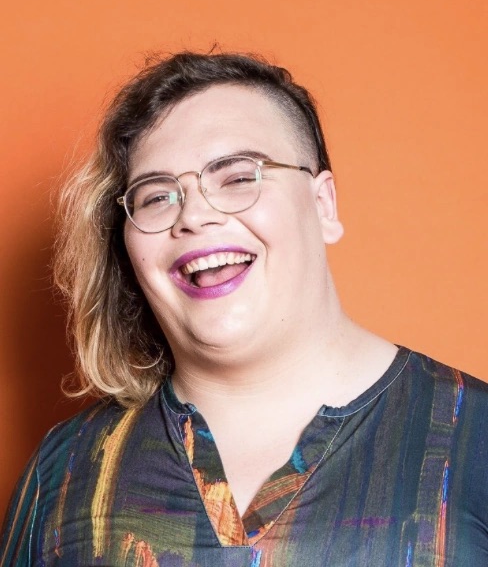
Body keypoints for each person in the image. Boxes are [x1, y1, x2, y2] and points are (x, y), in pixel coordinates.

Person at [1, 51, 487, 567]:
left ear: (323, 204)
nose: (193, 215)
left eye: (236, 177)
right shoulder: (63, 473)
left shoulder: (473, 438)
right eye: (157, 196)